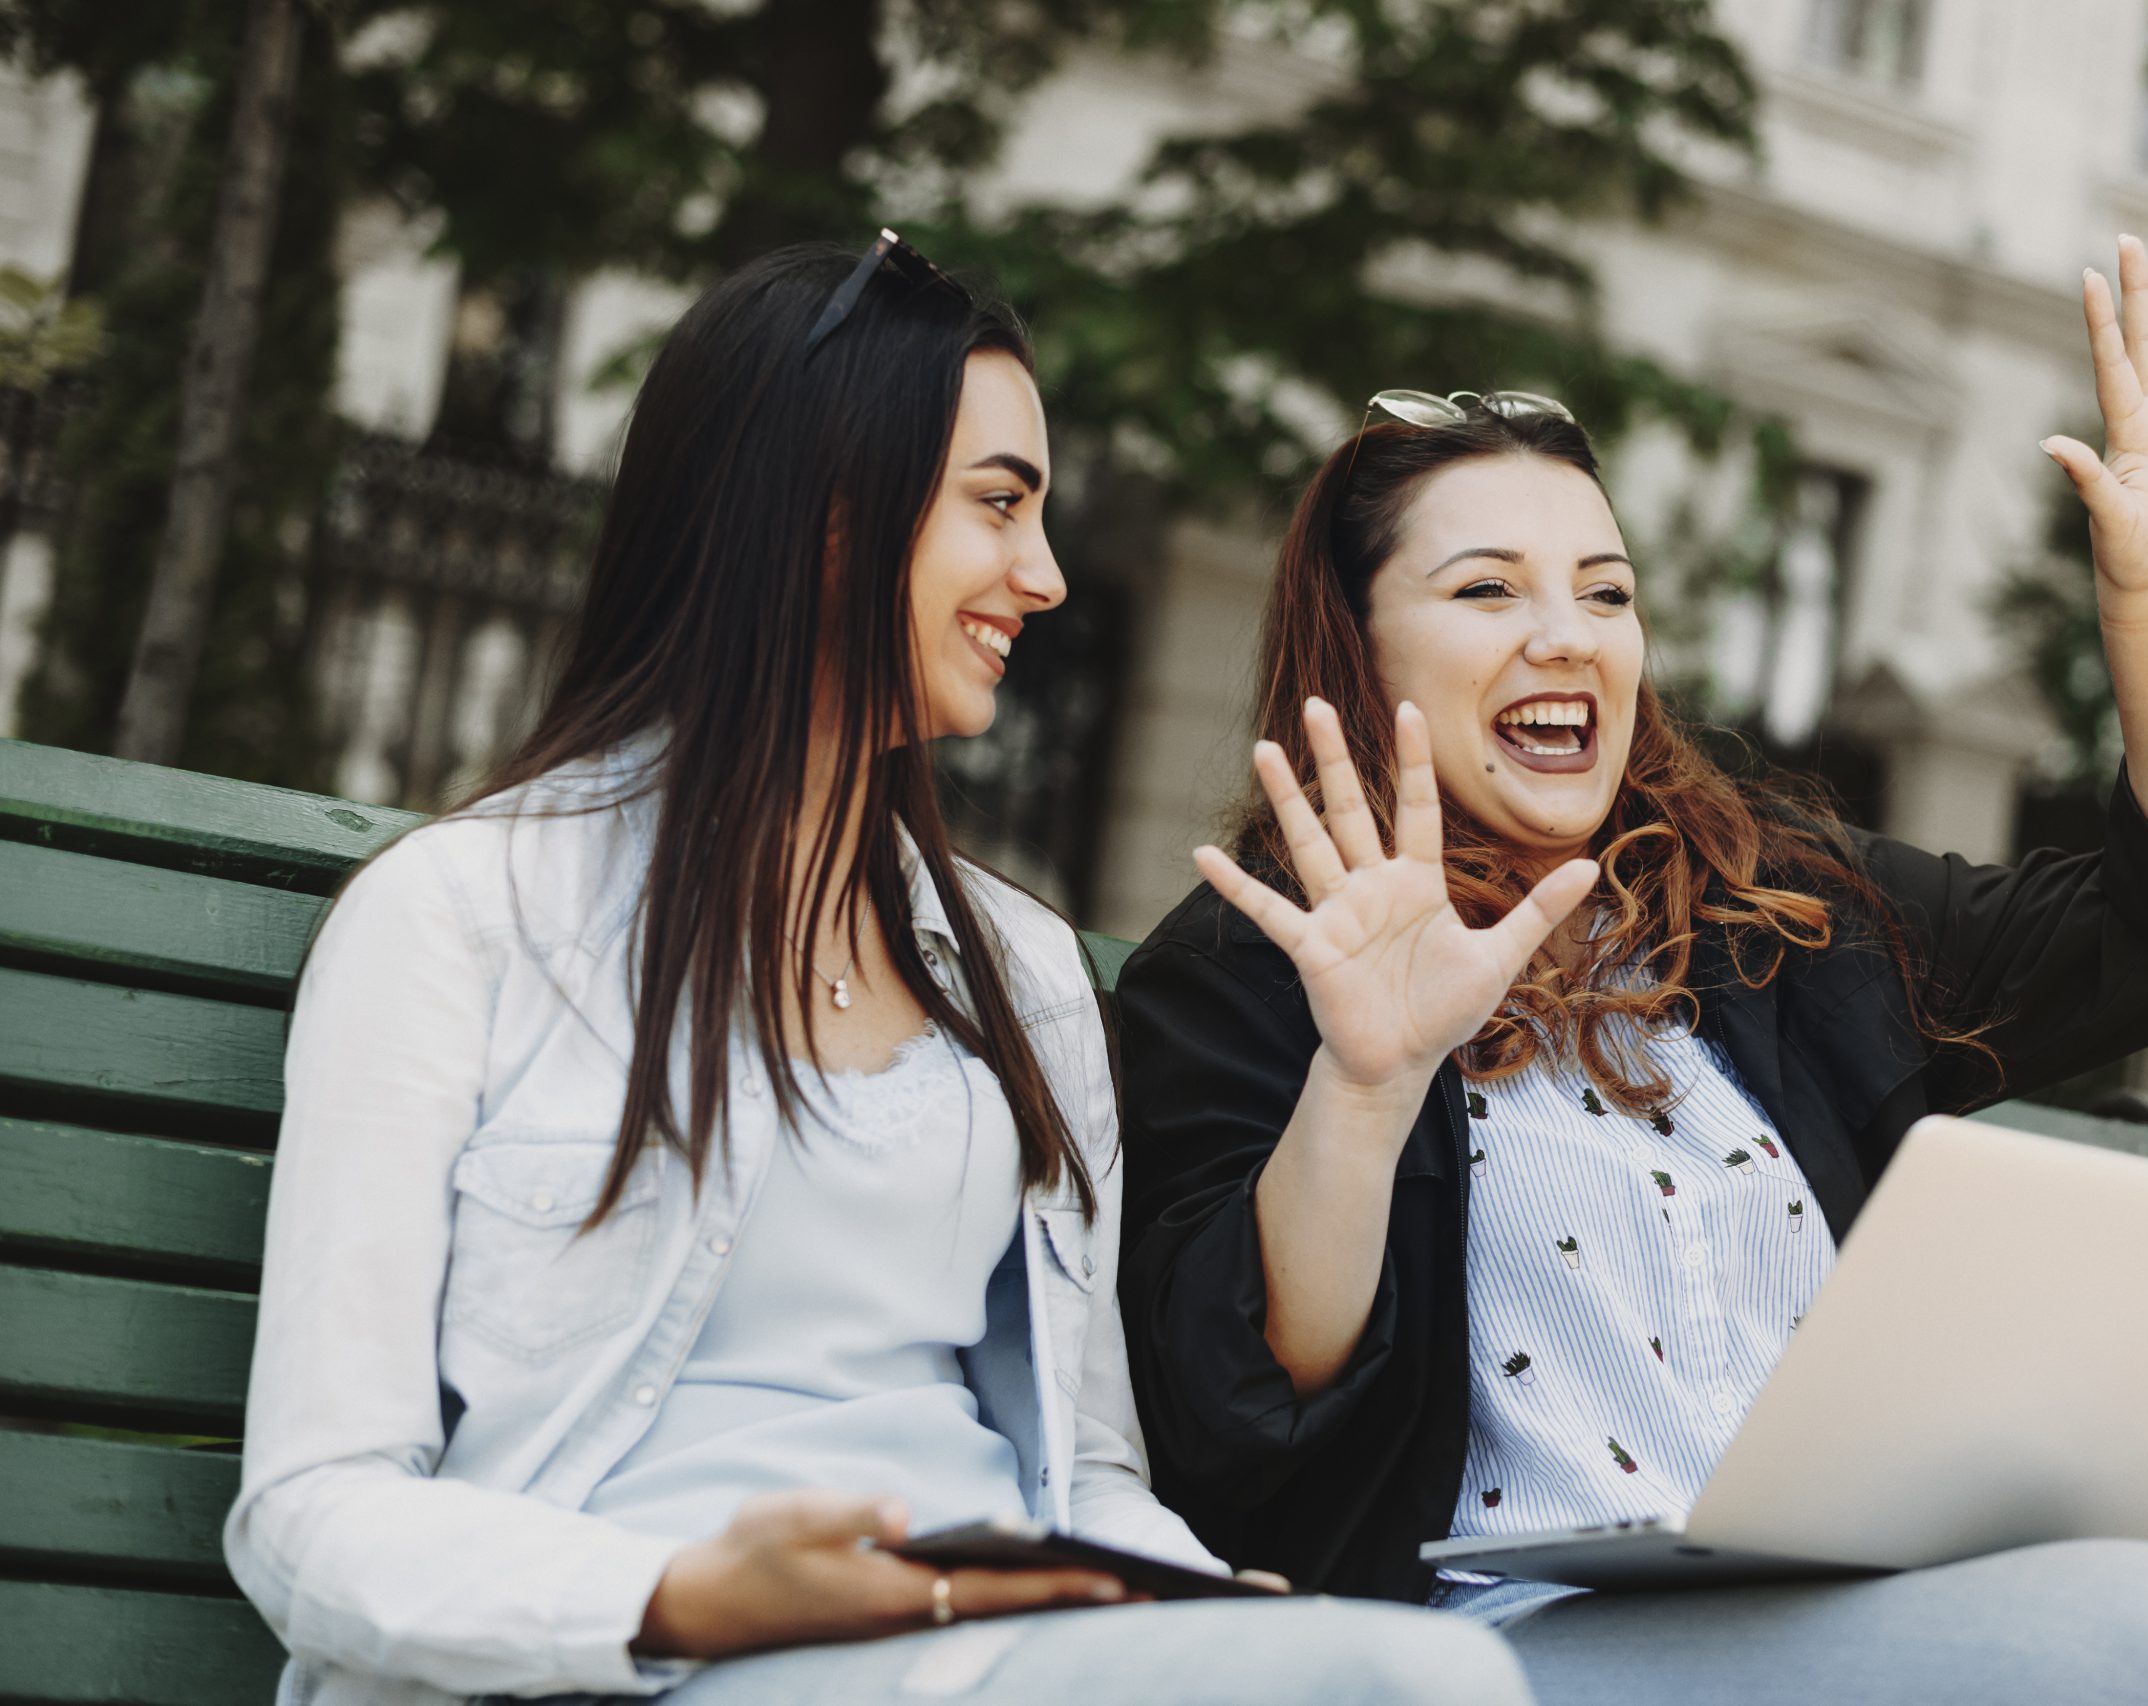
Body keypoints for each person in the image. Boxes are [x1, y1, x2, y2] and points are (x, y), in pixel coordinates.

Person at [223, 236, 1532, 1706]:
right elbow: (311, 1511)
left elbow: (1087, 1468)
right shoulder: (456, 920)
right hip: (633, 1664)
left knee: (1416, 1679)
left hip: (979, 1651)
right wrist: (686, 1596)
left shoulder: (1023, 974)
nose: (1041, 577)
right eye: (998, 505)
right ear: (822, 511)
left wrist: (1194, 1608)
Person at [1114, 236, 2148, 1703]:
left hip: (1847, 1618)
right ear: (1356, 647)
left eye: (1606, 594)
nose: (1568, 636)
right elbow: (1240, 1414)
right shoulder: (1247, 969)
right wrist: (1365, 1079)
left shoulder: (1768, 910)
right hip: (1499, 1651)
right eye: (1488, 591)